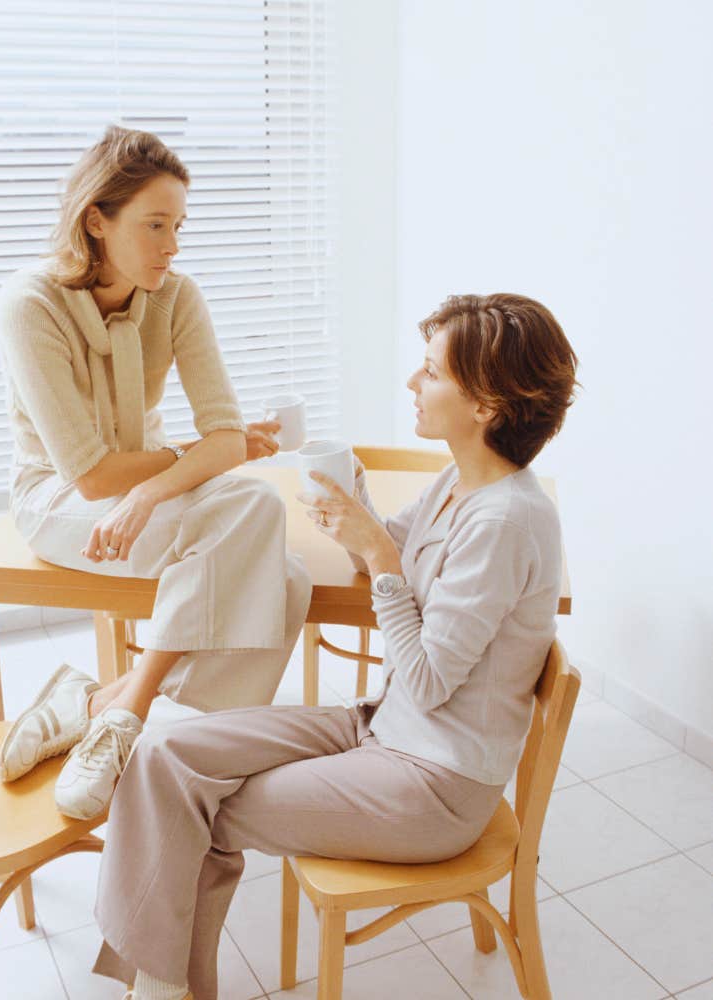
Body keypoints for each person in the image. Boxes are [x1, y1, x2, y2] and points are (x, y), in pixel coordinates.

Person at [88, 293, 579, 1000]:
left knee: (194, 810)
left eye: (432, 372)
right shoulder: (460, 481)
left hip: (435, 781)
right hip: (386, 723)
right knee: (165, 756)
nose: (413, 383)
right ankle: (168, 985)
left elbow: (432, 676)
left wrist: (378, 554)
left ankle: (163, 990)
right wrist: (359, 518)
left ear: (487, 405)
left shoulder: (507, 521)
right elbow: (395, 549)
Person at [0, 125, 312, 820]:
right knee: (256, 519)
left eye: (179, 226)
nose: (172, 245)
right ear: (97, 221)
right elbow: (91, 476)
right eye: (156, 225)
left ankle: (110, 704)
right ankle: (142, 729)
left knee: (286, 579)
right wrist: (171, 468)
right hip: (56, 501)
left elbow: (226, 437)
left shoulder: (177, 295)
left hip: (151, 499)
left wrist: (151, 489)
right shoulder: (30, 304)